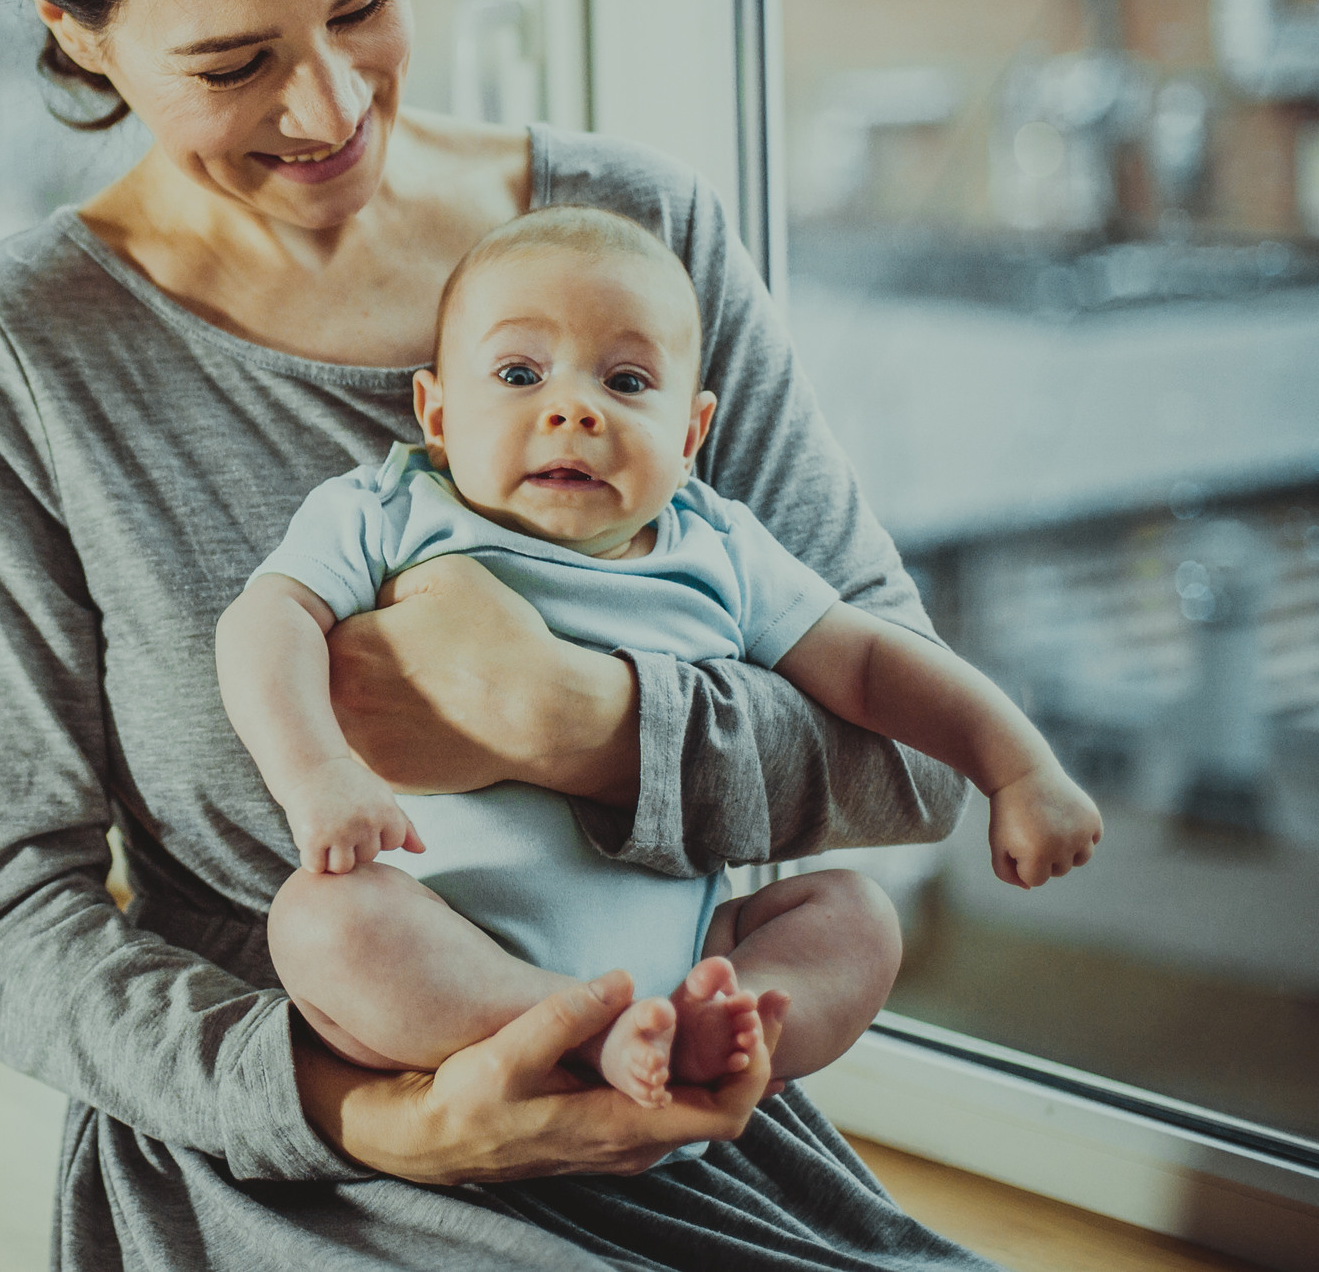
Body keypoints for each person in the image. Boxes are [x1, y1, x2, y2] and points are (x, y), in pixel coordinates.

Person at [0, 0, 997, 1270]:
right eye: (234, 63)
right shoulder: (33, 352)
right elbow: (12, 921)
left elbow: (916, 750)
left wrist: (580, 721)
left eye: (365, 3)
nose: (332, 105)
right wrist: (381, 1109)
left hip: (681, 1102)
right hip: (289, 1161)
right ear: (76, 30)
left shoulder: (636, 241)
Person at [221, 206, 1103, 1109]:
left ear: (688, 434)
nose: (572, 408)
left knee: (856, 920)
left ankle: (716, 1035)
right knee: (321, 921)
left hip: (684, 961)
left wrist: (1017, 765)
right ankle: (582, 1027)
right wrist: (315, 773)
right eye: (519, 372)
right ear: (436, 411)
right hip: (443, 945)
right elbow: (265, 620)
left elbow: (874, 664)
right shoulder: (390, 508)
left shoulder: (718, 546)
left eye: (628, 379)